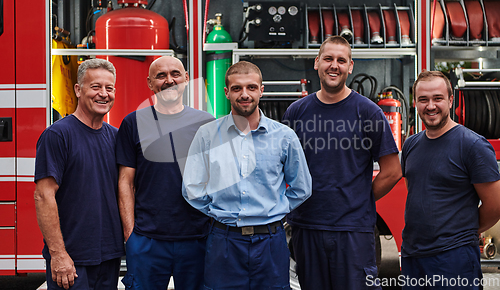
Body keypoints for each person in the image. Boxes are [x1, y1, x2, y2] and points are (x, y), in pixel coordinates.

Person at [282, 35, 402, 290]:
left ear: (350, 66)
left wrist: (359, 198)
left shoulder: (368, 112)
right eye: (328, 59)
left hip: (353, 231)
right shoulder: (296, 112)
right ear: (317, 63)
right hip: (307, 227)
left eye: (341, 60)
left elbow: (392, 171)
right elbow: (284, 167)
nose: (333, 65)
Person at [182, 61, 312, 290]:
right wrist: (218, 211)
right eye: (237, 88)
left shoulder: (284, 137)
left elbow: (302, 188)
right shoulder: (207, 135)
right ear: (227, 92)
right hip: (224, 242)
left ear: (261, 90)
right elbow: (192, 188)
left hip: (270, 243)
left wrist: (274, 208)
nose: (244, 94)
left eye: (251, 87)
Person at [117, 56, 214, 290]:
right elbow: (125, 183)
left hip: (197, 239)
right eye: (161, 76)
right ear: (150, 83)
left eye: (175, 74)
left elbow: (216, 181)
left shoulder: (206, 124)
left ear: (187, 79)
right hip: (147, 239)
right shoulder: (133, 122)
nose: (169, 80)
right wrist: (131, 236)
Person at [400, 71, 500, 289]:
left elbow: (495, 205)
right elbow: (415, 191)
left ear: (451, 100)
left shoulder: (473, 146)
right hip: (412, 256)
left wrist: (462, 231)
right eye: (423, 100)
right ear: (415, 102)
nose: (431, 106)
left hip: (454, 259)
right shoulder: (411, 145)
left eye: (438, 98)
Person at [34, 59, 124, 290]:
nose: (103, 94)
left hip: (109, 257)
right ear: (78, 89)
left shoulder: (116, 137)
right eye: (95, 87)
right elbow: (43, 197)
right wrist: (59, 254)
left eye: (109, 88)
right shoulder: (57, 135)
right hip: (72, 261)